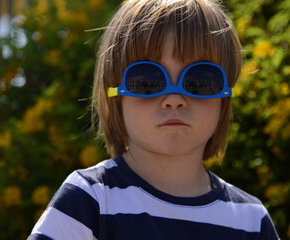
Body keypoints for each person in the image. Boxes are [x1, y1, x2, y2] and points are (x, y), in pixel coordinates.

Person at [27, 0, 280, 239]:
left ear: (225, 96)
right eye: (147, 80)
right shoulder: (89, 200)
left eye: (200, 79)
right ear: (115, 94)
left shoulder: (251, 220)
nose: (174, 98)